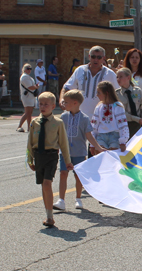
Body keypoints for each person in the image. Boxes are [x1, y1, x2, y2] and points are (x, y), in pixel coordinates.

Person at [53, 90, 104, 211]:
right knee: (63, 174)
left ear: (75, 103)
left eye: (66, 102)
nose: (63, 104)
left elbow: (89, 136)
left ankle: (78, 198)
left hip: (79, 152)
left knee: (78, 176)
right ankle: (61, 200)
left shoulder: (84, 118)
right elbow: (58, 133)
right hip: (65, 153)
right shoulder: (63, 117)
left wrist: (98, 147)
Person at [27, 92, 72, 227]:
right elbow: (30, 142)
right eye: (41, 104)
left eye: (46, 104)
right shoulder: (35, 122)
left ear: (53, 106)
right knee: (43, 185)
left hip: (51, 155)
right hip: (39, 155)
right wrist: (30, 159)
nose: (43, 106)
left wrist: (68, 161)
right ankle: (48, 215)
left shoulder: (58, 123)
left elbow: (63, 143)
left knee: (47, 183)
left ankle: (51, 216)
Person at [60, 46, 119, 120]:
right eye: (93, 57)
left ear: (104, 58)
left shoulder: (110, 74)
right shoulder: (80, 70)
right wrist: (62, 100)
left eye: (99, 57)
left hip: (101, 119)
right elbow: (66, 88)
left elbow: (118, 94)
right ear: (89, 57)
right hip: (79, 117)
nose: (96, 59)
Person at [91, 81, 129, 153]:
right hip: (101, 136)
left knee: (113, 158)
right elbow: (94, 125)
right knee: (101, 157)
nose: (97, 95)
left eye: (99, 93)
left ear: (106, 93)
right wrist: (92, 144)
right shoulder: (99, 107)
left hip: (114, 137)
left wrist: (122, 141)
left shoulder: (117, 106)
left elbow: (122, 124)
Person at [116, 68, 142, 137]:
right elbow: (121, 113)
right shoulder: (116, 94)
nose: (118, 79)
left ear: (128, 77)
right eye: (117, 77)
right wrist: (137, 119)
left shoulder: (138, 91)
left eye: (121, 77)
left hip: (138, 125)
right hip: (124, 125)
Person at [17, 64, 40, 132]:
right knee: (28, 113)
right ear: (24, 69)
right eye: (28, 68)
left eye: (30, 69)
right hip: (27, 97)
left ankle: (25, 126)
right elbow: (29, 87)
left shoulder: (28, 77)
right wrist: (36, 87)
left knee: (29, 112)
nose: (29, 70)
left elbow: (31, 86)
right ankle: (24, 127)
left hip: (30, 96)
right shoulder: (24, 77)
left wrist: (35, 86)